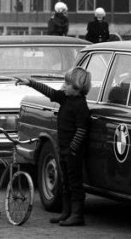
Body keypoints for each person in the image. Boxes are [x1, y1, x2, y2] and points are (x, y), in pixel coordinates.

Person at [16, 67, 91, 227]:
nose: (64, 86)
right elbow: (49, 92)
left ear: (77, 87)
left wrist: (72, 149)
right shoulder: (65, 98)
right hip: (63, 149)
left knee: (75, 182)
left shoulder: (80, 106)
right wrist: (30, 83)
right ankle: (66, 211)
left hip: (73, 152)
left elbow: (82, 129)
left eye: (67, 83)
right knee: (64, 181)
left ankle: (77, 215)